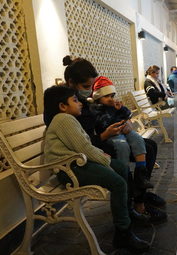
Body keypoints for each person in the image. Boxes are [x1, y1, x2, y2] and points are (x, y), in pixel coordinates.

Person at [57, 56, 167, 223]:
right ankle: (136, 202)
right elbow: (82, 141)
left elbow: (106, 117)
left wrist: (127, 122)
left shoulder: (79, 100)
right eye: (87, 87)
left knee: (150, 145)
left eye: (91, 86)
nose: (90, 91)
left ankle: (139, 193)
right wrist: (105, 135)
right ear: (72, 83)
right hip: (89, 149)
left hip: (98, 140)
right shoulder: (66, 105)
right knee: (145, 148)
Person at [43, 85, 150, 253]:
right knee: (118, 183)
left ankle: (127, 211)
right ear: (63, 106)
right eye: (75, 100)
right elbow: (84, 147)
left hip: (78, 163)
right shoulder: (64, 119)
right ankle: (123, 233)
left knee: (121, 167)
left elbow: (84, 147)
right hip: (68, 170)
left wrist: (103, 158)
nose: (80, 104)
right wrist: (104, 159)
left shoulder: (67, 119)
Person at [91, 76, 153, 190]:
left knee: (138, 139)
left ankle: (141, 175)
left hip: (124, 130)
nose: (110, 99)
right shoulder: (94, 110)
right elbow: (100, 123)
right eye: (106, 96)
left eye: (112, 96)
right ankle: (126, 176)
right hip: (112, 134)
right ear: (98, 97)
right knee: (122, 145)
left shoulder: (115, 106)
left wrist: (121, 109)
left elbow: (127, 114)